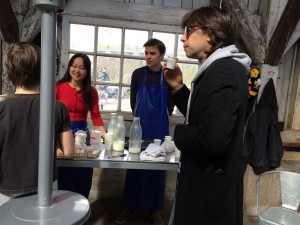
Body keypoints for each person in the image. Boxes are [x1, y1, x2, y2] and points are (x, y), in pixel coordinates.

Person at [163, 7, 252, 225]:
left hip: (209, 195)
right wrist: (178, 87)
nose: (183, 38)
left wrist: (178, 133)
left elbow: (212, 140)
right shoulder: (218, 68)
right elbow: (202, 116)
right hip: (207, 187)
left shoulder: (224, 71)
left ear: (210, 35)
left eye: (189, 30)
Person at [0, 42, 74, 206]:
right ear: (42, 70)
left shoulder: (2, 108)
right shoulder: (58, 106)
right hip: (46, 188)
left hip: (7, 190)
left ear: (9, 72)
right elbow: (68, 151)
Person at [115, 38, 174, 225]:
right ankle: (130, 207)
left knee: (157, 171)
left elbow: (171, 105)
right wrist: (141, 119)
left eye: (153, 53)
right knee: (135, 169)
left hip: (160, 129)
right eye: (146, 53)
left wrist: (159, 117)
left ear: (162, 55)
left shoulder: (169, 75)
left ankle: (155, 211)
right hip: (139, 128)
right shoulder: (138, 74)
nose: (148, 57)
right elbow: (134, 102)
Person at [56, 53, 106, 198]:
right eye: (74, 66)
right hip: (61, 134)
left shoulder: (92, 91)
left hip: (83, 136)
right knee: (63, 171)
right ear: (69, 67)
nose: (77, 71)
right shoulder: (58, 87)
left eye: (82, 68)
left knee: (83, 173)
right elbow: (49, 113)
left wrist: (106, 136)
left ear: (87, 71)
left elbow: (96, 116)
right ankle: (62, 209)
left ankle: (81, 206)